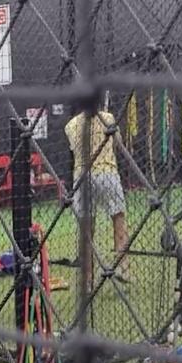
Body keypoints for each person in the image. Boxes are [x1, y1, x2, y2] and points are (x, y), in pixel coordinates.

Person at [65, 110, 129, 281]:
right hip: (106, 173)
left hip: (82, 177)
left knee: (87, 230)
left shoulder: (70, 125)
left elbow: (74, 150)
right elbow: (119, 144)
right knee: (118, 219)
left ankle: (87, 279)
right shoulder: (108, 117)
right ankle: (123, 267)